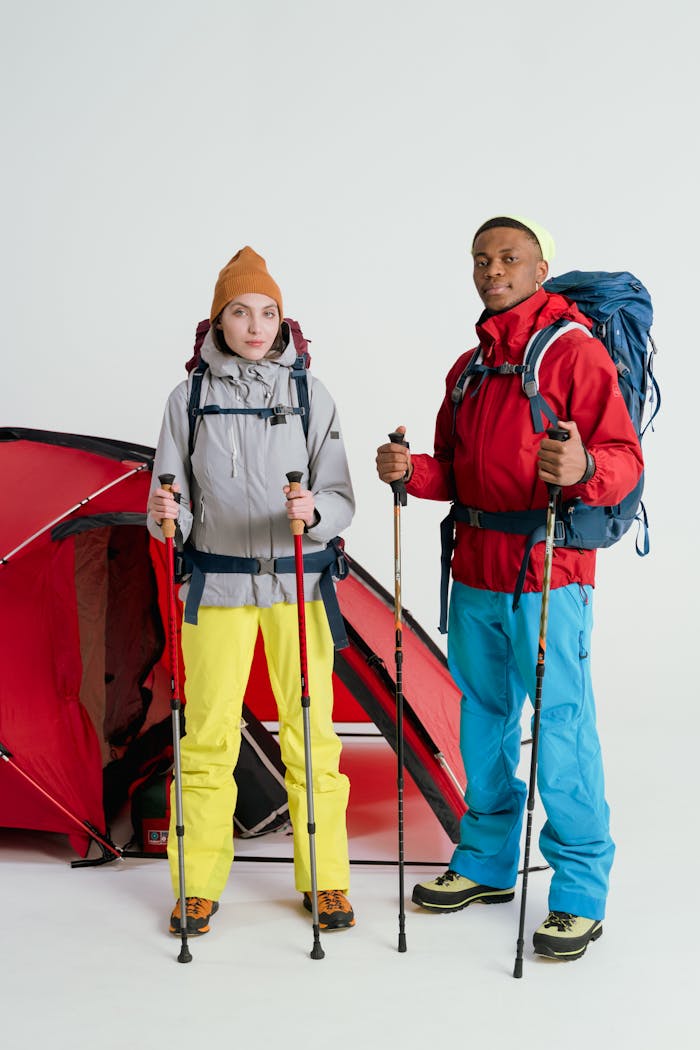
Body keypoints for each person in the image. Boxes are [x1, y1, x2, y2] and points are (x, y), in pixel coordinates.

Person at [376, 216, 643, 962]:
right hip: (477, 572)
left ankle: (581, 891)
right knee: (483, 722)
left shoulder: (576, 354)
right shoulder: (468, 368)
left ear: (539, 268)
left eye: (509, 258)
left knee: (561, 724)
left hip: (551, 571)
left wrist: (586, 468)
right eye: (482, 259)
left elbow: (625, 458)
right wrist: (412, 471)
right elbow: (457, 470)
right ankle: (488, 863)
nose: (493, 269)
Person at [148, 246, 356, 936]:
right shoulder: (189, 399)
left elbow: (341, 494)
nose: (256, 324)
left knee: (311, 737)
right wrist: (163, 519)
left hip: (300, 588)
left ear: (282, 319)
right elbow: (165, 498)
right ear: (219, 321)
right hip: (217, 588)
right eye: (241, 312)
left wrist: (316, 514)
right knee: (207, 738)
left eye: (267, 312)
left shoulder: (308, 393)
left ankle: (326, 881)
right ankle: (198, 884)